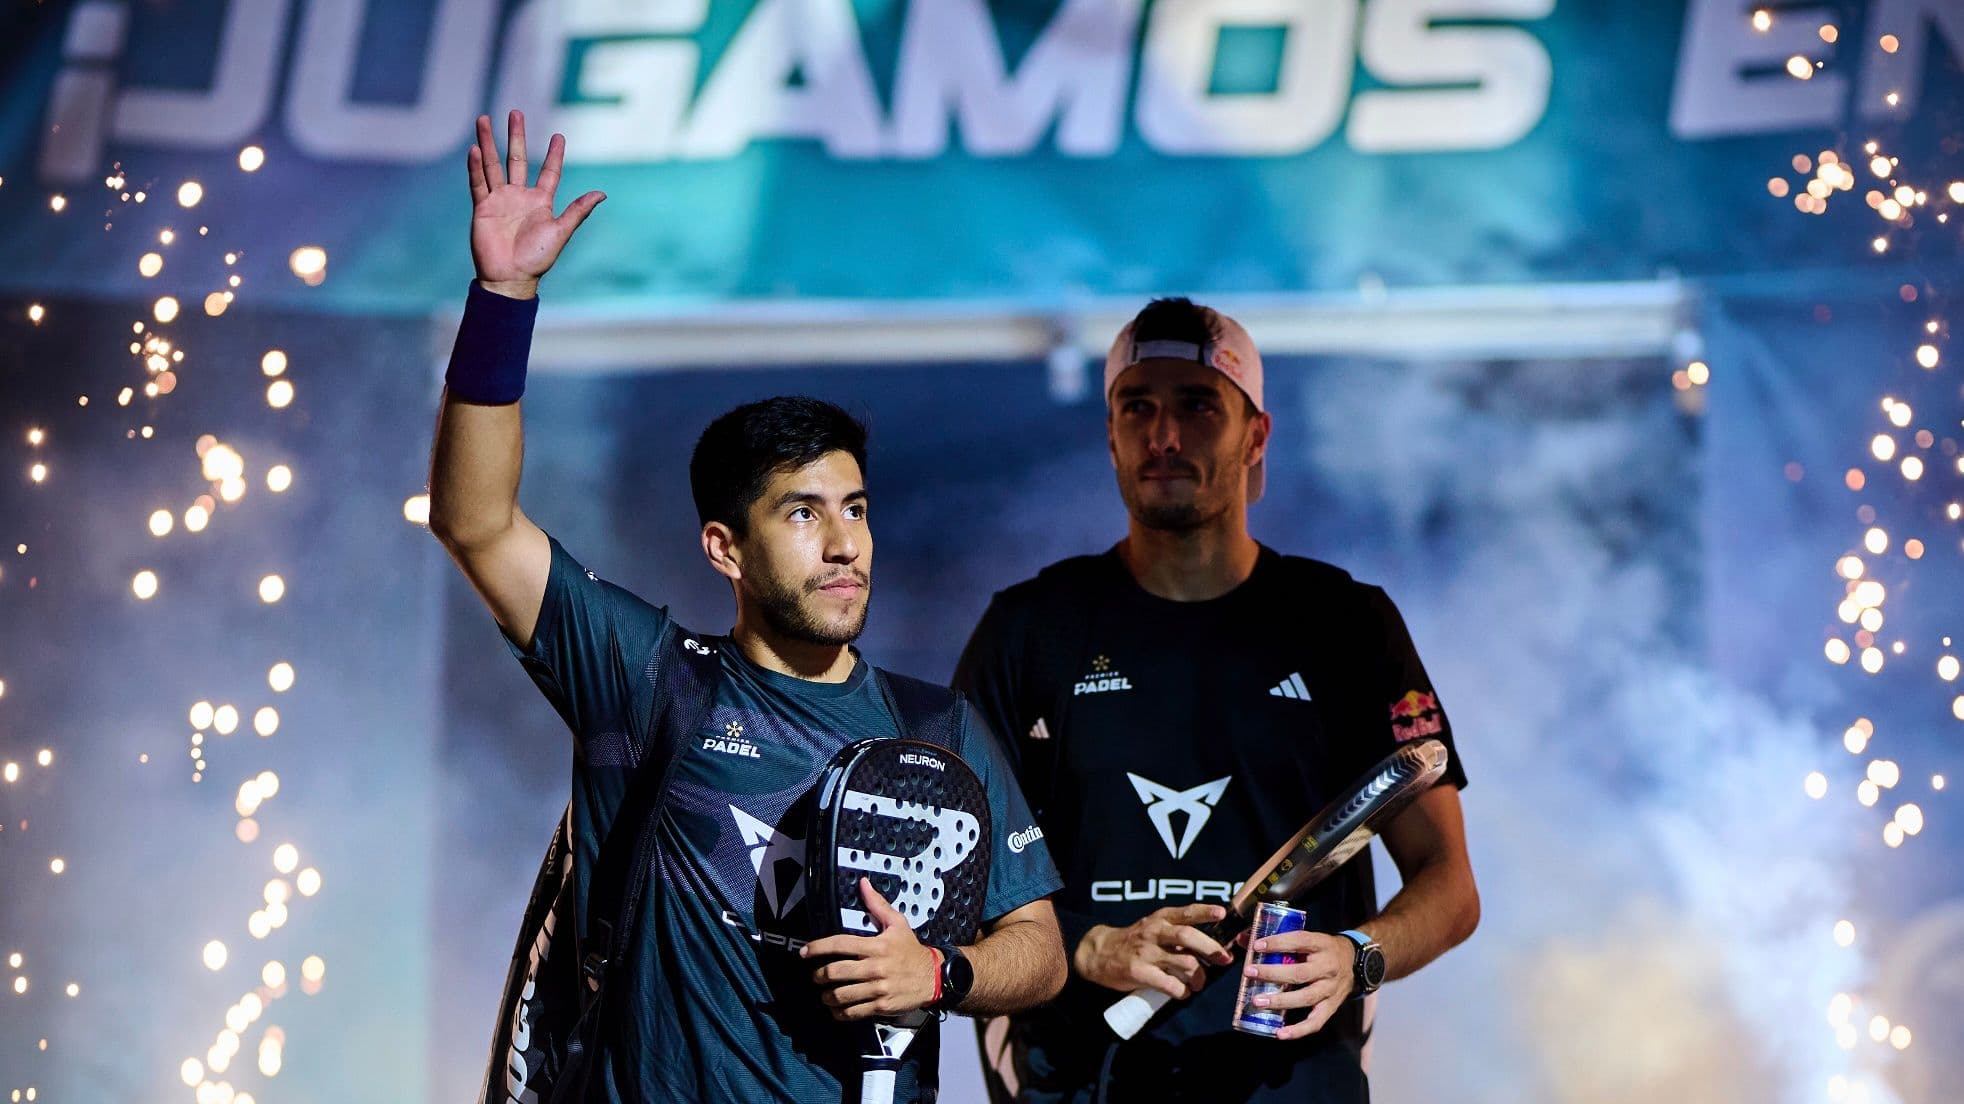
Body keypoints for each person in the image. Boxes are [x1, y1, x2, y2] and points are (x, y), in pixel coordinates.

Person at [430, 110, 1066, 1104]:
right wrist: (504, 300)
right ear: (724, 547)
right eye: (803, 513)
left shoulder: (936, 729)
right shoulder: (647, 681)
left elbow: (1041, 949)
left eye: (855, 509)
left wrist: (941, 975)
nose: (844, 542)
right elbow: (474, 524)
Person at [953, 298, 1479, 1102]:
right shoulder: (1028, 631)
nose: (1164, 436)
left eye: (1198, 405)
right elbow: (957, 879)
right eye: (1138, 408)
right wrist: (1091, 948)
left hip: (1292, 1085)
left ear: (1255, 437)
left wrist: (1359, 956)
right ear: (1111, 437)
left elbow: (1450, 887)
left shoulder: (1347, 624)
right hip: (1079, 1084)